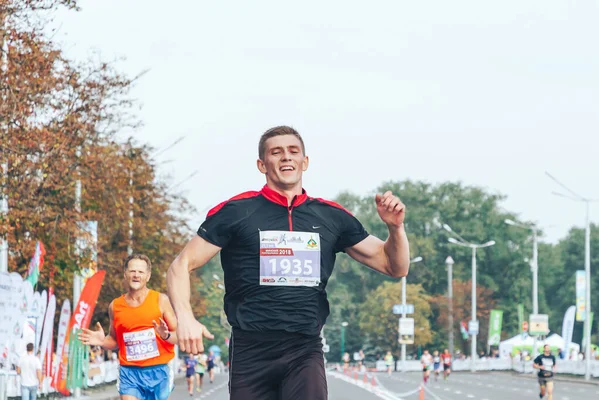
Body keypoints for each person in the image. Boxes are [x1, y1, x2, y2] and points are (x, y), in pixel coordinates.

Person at [166, 125, 411, 400]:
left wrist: (395, 229)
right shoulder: (236, 211)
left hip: (304, 348)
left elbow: (396, 267)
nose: (286, 157)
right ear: (262, 164)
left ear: (304, 162)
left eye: (293, 151)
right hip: (250, 348)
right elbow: (180, 265)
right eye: (276, 152)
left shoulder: (331, 216)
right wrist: (185, 317)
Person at [79, 254, 212, 400]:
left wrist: (165, 335)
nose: (136, 275)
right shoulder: (115, 306)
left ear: (148, 276)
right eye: (132, 271)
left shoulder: (161, 300)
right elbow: (115, 341)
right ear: (125, 274)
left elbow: (178, 337)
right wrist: (102, 342)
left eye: (141, 272)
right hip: (129, 372)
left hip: (158, 371)